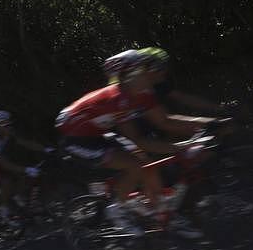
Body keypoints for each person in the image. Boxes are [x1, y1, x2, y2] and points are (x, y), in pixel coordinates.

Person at [55, 51, 202, 236]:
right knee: (134, 166)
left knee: (147, 163)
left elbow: (149, 132)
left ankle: (161, 213)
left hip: (97, 134)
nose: (151, 73)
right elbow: (139, 138)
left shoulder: (138, 93)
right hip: (76, 140)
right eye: (145, 70)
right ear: (130, 75)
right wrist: (181, 147)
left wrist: (188, 140)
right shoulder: (114, 98)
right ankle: (116, 207)